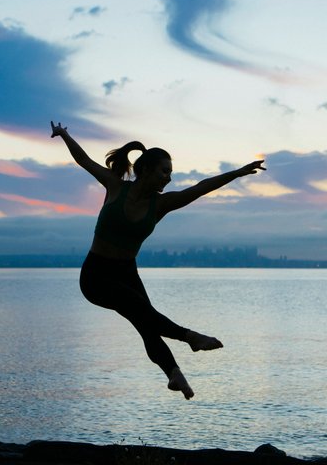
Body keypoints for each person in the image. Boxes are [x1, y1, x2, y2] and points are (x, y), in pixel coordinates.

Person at [51, 121, 265, 399]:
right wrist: (65, 134)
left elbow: (200, 188)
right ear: (147, 170)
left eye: (170, 173)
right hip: (95, 275)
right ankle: (190, 337)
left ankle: (174, 374)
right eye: (165, 171)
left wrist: (236, 174)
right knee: (142, 311)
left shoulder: (161, 204)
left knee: (146, 324)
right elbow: (83, 160)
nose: (169, 178)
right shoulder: (116, 186)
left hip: (127, 272)